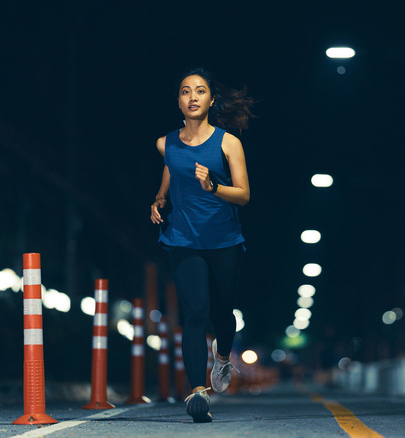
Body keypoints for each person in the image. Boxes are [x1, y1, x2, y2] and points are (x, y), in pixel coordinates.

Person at [149, 68, 253, 423]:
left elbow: (243, 195)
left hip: (224, 239)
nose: (192, 96)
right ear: (178, 101)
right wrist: (160, 199)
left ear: (211, 100)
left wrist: (213, 188)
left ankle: (222, 356)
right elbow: (171, 169)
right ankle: (197, 392)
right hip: (183, 238)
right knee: (194, 312)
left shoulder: (228, 143)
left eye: (200, 91)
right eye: (185, 91)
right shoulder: (166, 143)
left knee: (222, 314)